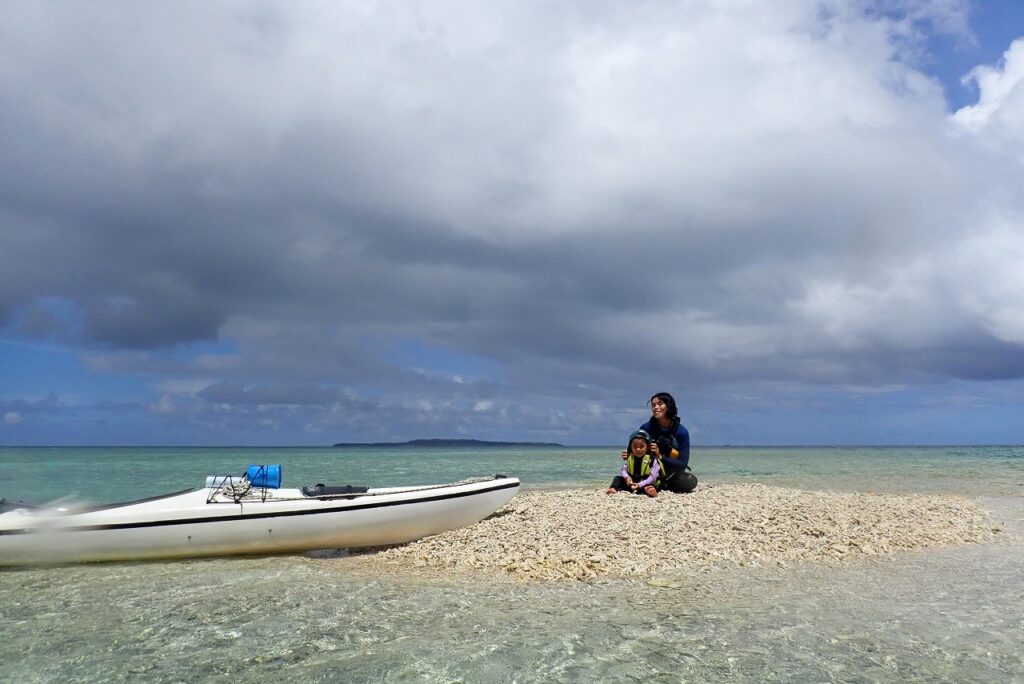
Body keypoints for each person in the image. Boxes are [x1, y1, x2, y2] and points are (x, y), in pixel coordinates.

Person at [625, 392, 698, 493]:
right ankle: (648, 484)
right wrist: (629, 454)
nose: (656, 407)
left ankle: (661, 485)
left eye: (660, 403)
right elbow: (637, 450)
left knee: (690, 480)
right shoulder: (645, 428)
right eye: (653, 405)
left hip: (670, 474)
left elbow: (682, 464)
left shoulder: (681, 432)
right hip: (647, 472)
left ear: (669, 406)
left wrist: (660, 457)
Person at [606, 429, 661, 497]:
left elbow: (652, 478)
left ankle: (651, 491)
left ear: (648, 447)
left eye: (641, 446)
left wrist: (639, 484)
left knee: (649, 486)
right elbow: (623, 470)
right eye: (635, 446)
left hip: (645, 482)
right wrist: (627, 477)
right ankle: (613, 489)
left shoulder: (652, 460)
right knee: (617, 478)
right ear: (630, 448)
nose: (638, 449)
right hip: (632, 483)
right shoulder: (631, 458)